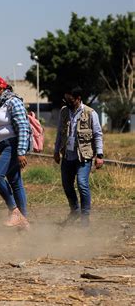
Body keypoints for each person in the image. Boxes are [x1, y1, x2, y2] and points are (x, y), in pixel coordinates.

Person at [0, 75, 30, 229]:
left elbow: (23, 127)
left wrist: (21, 151)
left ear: (0, 88)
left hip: (13, 146)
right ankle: (24, 222)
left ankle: (15, 212)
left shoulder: (13, 101)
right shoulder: (0, 103)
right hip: (4, 146)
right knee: (15, 182)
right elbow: (3, 126)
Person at [54, 86, 104, 227]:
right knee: (66, 184)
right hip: (67, 156)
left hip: (83, 156)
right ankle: (75, 210)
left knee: (82, 184)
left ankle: (85, 217)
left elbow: (98, 134)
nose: (67, 102)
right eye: (66, 99)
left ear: (78, 98)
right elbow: (59, 133)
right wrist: (56, 150)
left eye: (70, 99)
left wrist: (99, 155)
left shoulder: (90, 113)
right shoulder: (64, 112)